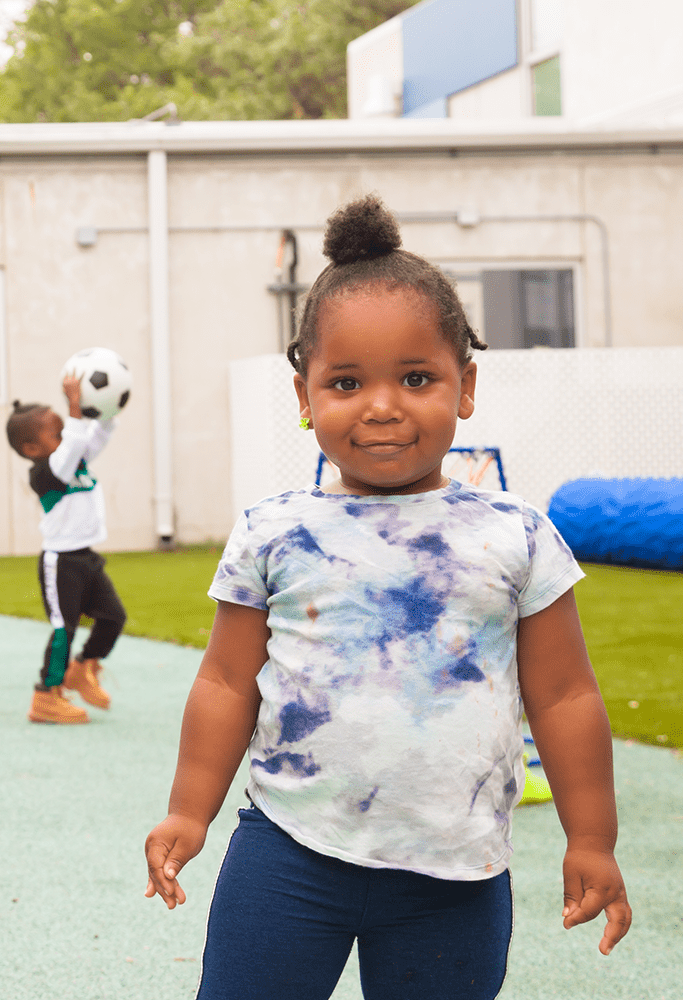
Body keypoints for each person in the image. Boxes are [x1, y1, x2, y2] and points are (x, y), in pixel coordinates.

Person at [142, 194, 632, 999]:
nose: (381, 405)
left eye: (415, 377)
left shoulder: (516, 535)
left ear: (464, 385)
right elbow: (226, 682)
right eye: (345, 381)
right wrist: (189, 813)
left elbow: (566, 692)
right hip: (288, 854)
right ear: (304, 396)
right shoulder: (273, 534)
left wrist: (593, 838)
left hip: (455, 873)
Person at [6, 372, 127, 724]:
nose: (66, 436)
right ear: (31, 449)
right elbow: (72, 445)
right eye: (56, 433)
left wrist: (103, 410)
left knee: (113, 618)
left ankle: (82, 669)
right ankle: (45, 696)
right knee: (64, 630)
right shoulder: (44, 472)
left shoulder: (72, 457)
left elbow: (98, 436)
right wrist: (74, 408)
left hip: (86, 557)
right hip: (60, 563)